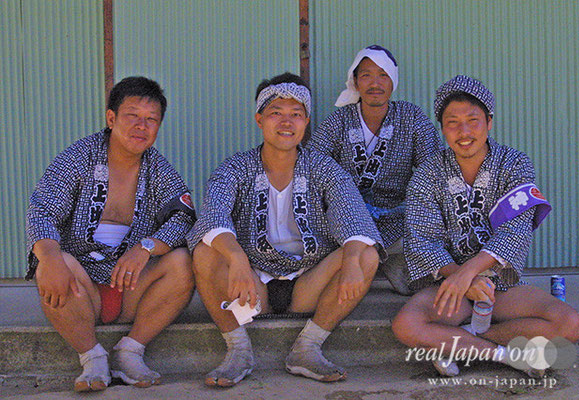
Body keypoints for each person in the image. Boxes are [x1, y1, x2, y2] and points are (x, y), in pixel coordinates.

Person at [187, 72, 384, 387]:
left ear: (306, 123)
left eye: (296, 114)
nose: (286, 122)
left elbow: (353, 215)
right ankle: (238, 350)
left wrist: (351, 260)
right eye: (276, 113)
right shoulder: (235, 167)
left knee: (365, 254)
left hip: (309, 285)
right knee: (205, 250)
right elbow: (213, 215)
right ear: (259, 120)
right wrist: (237, 259)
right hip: (252, 289)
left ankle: (307, 347)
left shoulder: (323, 168)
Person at [392, 75, 579, 377]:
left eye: (473, 120)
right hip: (450, 284)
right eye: (452, 122)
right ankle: (507, 356)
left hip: (501, 285)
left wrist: (471, 273)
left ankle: (461, 342)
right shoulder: (428, 173)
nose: (464, 131)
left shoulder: (515, 163)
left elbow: (516, 230)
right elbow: (421, 241)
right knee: (407, 324)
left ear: (489, 122)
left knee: (569, 324)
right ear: (442, 127)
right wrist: (461, 279)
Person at [26, 76, 197, 392]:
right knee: (52, 259)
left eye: (151, 120)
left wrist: (145, 247)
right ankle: (92, 357)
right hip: (81, 288)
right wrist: (48, 257)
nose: (141, 126)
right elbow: (43, 211)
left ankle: (130, 350)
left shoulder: (158, 168)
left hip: (132, 284)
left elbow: (184, 217)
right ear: (111, 118)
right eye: (132, 116)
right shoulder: (78, 157)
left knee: (182, 261)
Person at [308, 45, 442, 295]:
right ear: (356, 81)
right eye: (366, 75)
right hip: (348, 218)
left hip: (397, 217)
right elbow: (312, 164)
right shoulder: (339, 120)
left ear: (393, 81)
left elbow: (431, 169)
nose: (375, 83)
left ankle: (392, 257)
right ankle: (365, 258)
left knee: (437, 213)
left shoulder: (411, 117)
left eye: (383, 74)